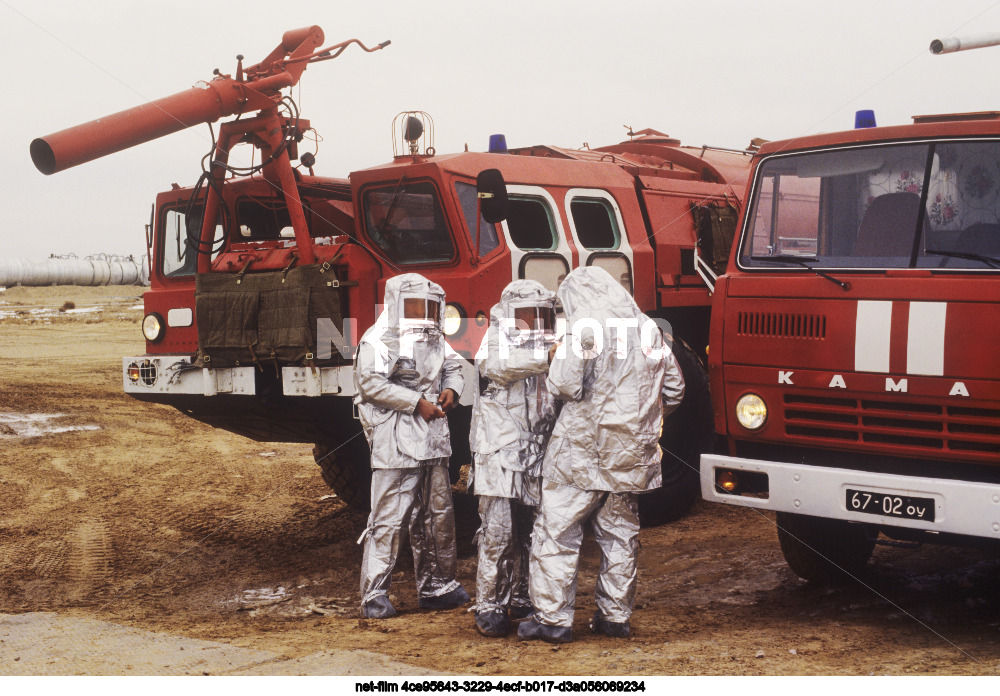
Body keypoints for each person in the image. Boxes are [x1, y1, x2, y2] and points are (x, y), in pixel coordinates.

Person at [518, 266, 685, 643]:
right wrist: (641, 422)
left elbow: (563, 386)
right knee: (620, 534)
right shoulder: (648, 330)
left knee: (556, 531)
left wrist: (555, 358)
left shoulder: (584, 329)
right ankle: (614, 617)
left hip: (582, 452)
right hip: (630, 457)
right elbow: (674, 390)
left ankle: (552, 620)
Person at [354, 273, 470, 618]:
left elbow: (453, 367)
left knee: (437, 517)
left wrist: (453, 389)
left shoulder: (434, 337)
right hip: (395, 440)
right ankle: (374, 594)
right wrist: (415, 402)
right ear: (397, 303)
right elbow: (370, 384)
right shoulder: (379, 338)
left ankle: (438, 587)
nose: (424, 313)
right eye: (416, 305)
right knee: (388, 519)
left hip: (432, 437)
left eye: (430, 307)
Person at [469, 280, 560, 638]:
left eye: (541, 315)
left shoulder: (553, 346)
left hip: (537, 452)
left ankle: (523, 595)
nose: (534, 322)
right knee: (498, 532)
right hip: (499, 452)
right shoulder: (494, 340)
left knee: (535, 531)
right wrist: (546, 358)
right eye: (526, 316)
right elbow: (497, 367)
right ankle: (489, 604)